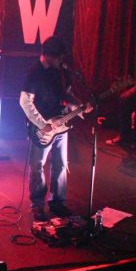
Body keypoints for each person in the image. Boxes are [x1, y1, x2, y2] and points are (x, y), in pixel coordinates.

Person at [19, 36, 90, 221]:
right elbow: (25, 101)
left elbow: (65, 94)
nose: (62, 60)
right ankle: (37, 205)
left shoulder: (60, 72)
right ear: (49, 56)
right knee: (38, 166)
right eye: (59, 57)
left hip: (62, 123)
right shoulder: (35, 72)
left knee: (61, 164)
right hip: (42, 128)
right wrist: (43, 125)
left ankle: (58, 202)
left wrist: (79, 106)